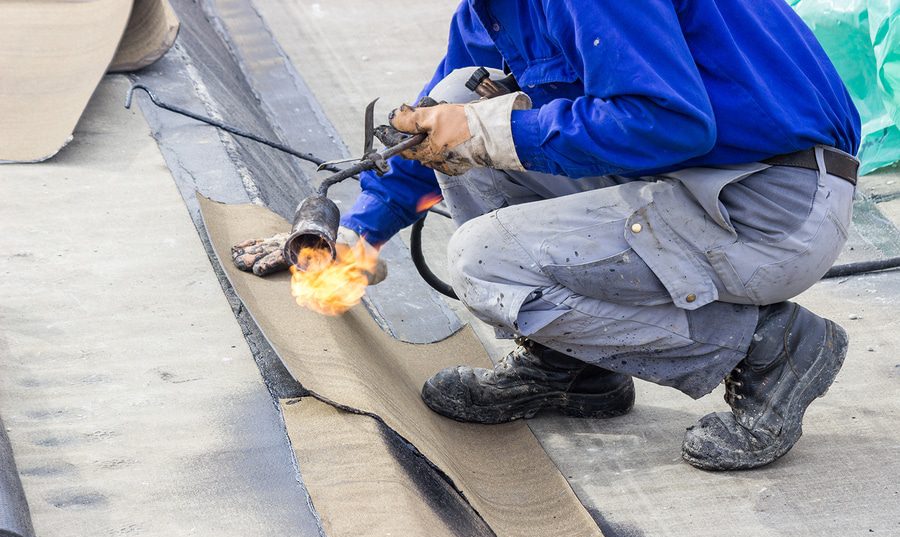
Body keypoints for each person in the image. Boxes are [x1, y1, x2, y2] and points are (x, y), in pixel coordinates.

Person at [234, 0, 861, 471]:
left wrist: (490, 131)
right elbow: (431, 136)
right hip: (684, 177)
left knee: (483, 262)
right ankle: (574, 370)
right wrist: (359, 240)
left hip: (772, 203)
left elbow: (671, 122)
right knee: (459, 96)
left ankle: (769, 349)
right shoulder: (491, 12)